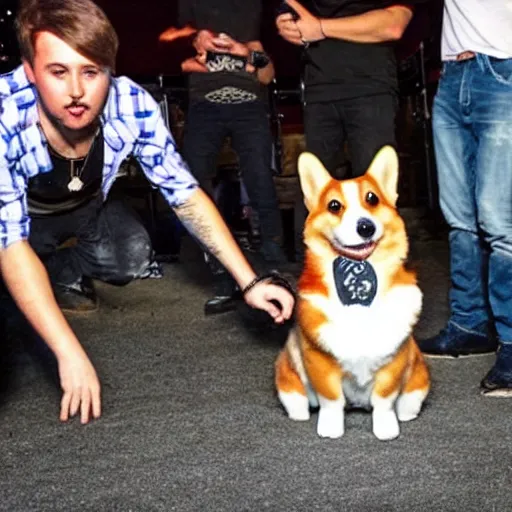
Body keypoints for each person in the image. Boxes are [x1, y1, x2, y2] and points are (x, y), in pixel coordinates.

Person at [0, 0, 294, 425]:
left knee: (134, 253)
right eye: (58, 72)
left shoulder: (131, 104)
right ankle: (27, 286)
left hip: (83, 213)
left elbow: (186, 195)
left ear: (110, 70)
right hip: (17, 227)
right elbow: (10, 241)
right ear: (30, 71)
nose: (77, 91)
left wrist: (249, 280)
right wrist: (69, 353)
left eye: (91, 71)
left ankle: (57, 274)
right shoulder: (6, 113)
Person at [275, 0, 423, 258]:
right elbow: (290, 12)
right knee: (315, 191)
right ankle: (313, 274)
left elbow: (394, 24)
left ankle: (379, 274)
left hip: (370, 87)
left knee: (375, 187)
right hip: (319, 88)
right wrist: (284, 22)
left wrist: (320, 27)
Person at [167, 0, 288, 315]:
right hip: (205, 105)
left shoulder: (252, 13)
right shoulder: (191, 10)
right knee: (193, 180)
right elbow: (173, 59)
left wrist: (245, 52)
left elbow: (268, 74)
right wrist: (192, 43)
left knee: (260, 177)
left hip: (249, 106)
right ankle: (215, 259)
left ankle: (274, 256)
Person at [418, 0, 512, 397]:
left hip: (503, 71)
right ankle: (470, 322)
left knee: (499, 220)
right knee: (458, 215)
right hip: (453, 75)